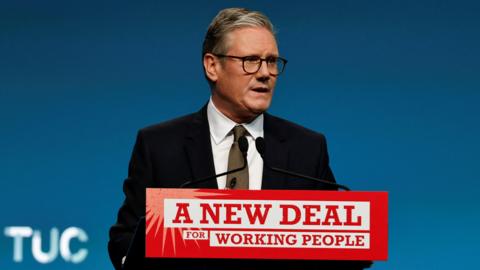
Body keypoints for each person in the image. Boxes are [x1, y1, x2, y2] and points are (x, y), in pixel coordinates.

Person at [109, 7, 370, 270]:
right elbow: (124, 239)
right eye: (251, 60)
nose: (265, 73)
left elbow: (336, 249)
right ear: (213, 66)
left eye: (271, 61)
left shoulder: (307, 148)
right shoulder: (160, 146)